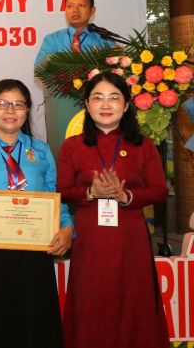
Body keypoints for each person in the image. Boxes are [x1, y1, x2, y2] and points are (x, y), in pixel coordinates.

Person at [0, 79, 73, 348]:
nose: (10, 110)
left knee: (33, 325)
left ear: (27, 110)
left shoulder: (41, 151)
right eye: (2, 103)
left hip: (33, 254)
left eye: (18, 104)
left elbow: (56, 198)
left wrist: (67, 227)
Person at [57, 71, 169, 348]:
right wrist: (91, 192)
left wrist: (126, 195)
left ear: (127, 105)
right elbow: (60, 190)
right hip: (90, 237)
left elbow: (159, 190)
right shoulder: (72, 146)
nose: (106, 105)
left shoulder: (143, 145)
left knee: (134, 299)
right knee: (91, 299)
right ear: (86, 104)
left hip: (131, 238)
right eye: (98, 98)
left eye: (114, 98)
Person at [34, 0, 113, 66]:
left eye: (81, 5)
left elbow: (117, 68)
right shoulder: (52, 40)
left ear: (92, 10)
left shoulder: (104, 38)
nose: (75, 10)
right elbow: (39, 70)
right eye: (70, 6)